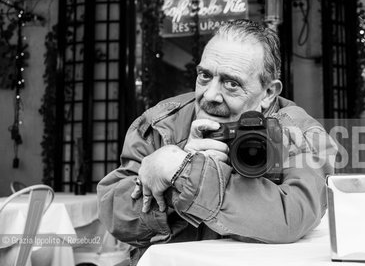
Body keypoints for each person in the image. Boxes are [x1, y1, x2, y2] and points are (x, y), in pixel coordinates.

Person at [97, 19, 338, 264]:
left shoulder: (298, 133)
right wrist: (177, 160)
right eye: (204, 76)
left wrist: (182, 173)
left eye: (231, 83)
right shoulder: (162, 124)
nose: (210, 95)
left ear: (268, 93)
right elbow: (115, 214)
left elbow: (293, 215)